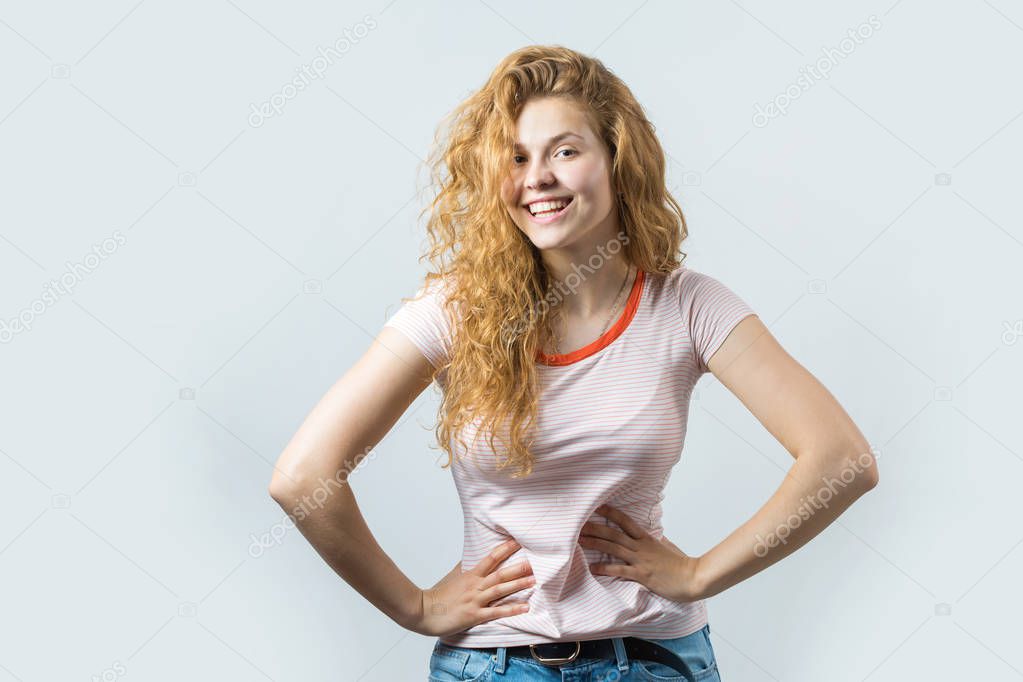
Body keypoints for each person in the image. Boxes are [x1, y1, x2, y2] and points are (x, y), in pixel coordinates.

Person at [269, 45, 878, 681]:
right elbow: (302, 476)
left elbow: (843, 458)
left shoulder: (688, 305)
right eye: (516, 157)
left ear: (619, 161)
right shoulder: (452, 310)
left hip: (653, 659)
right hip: (494, 664)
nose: (537, 177)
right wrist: (414, 607)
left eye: (564, 150)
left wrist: (700, 574)